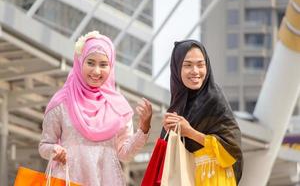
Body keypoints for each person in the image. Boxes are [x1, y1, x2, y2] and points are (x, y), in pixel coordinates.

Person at [39, 31, 152, 186]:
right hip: (68, 180)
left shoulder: (118, 107)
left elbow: (125, 154)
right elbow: (44, 145)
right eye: (90, 63)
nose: (96, 71)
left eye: (103, 64)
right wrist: (55, 151)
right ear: (80, 62)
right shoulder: (61, 102)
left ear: (111, 66)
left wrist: (144, 128)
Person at [161, 40, 243, 185]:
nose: (195, 71)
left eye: (200, 64)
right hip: (185, 178)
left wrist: (190, 132)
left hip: (213, 178)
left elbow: (232, 149)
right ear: (176, 68)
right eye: (187, 65)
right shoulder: (177, 105)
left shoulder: (214, 99)